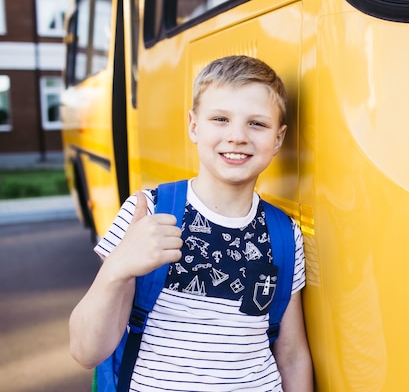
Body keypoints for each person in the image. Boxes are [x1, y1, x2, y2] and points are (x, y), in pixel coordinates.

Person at [69, 55, 313, 392]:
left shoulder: (283, 234)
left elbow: (292, 354)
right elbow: (86, 351)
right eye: (220, 119)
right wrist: (117, 267)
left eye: (257, 123)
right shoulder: (148, 213)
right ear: (194, 125)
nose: (238, 136)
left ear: (278, 138)